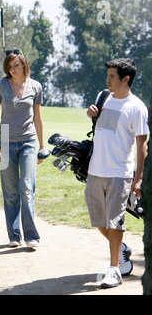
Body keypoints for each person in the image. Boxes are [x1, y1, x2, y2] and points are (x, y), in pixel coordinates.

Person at [85, 58, 149, 288]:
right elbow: (103, 130)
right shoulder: (104, 98)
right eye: (108, 75)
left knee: (114, 222)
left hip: (119, 173)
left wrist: (138, 178)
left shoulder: (136, 107)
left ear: (126, 79)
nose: (108, 79)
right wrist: (92, 113)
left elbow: (142, 145)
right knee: (99, 220)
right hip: (96, 170)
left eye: (112, 76)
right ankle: (121, 249)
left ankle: (115, 269)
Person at [0, 48, 45, 249]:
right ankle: (14, 236)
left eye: (16, 65)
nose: (12, 69)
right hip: (5, 141)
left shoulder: (35, 87)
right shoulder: (0, 86)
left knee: (27, 187)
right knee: (10, 191)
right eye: (9, 66)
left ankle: (31, 236)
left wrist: (42, 145)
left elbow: (37, 118)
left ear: (24, 64)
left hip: (29, 142)